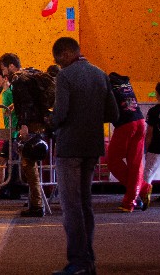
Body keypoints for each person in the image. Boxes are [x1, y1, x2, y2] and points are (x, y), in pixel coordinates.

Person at [48, 37, 119, 275]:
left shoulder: (65, 76)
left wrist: (49, 122)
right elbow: (113, 113)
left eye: (58, 59)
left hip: (70, 147)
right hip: (92, 146)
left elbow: (61, 113)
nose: (58, 64)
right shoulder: (100, 74)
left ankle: (78, 262)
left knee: (71, 206)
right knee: (86, 203)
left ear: (66, 54)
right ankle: (88, 260)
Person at [0, 52, 53, 217]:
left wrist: (24, 125)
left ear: (11, 66)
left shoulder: (18, 80)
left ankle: (37, 205)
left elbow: (26, 104)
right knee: (31, 163)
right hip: (41, 123)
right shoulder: (30, 74)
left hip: (31, 125)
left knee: (28, 164)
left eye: (4, 69)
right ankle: (36, 202)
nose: (4, 74)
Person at [106, 71, 147, 211]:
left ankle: (143, 188)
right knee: (135, 164)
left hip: (125, 125)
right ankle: (130, 201)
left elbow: (110, 110)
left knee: (113, 161)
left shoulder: (108, 86)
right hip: (140, 121)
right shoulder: (125, 84)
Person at [0, 66, 23, 200]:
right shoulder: (5, 93)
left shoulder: (10, 92)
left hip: (13, 132)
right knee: (1, 162)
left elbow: (20, 102)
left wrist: (12, 107)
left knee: (1, 162)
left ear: (4, 78)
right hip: (8, 131)